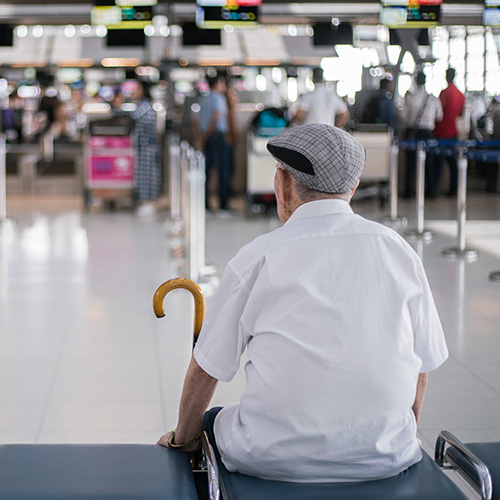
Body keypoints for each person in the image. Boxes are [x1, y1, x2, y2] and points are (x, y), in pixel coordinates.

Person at [157, 123, 448, 483]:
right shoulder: (399, 251)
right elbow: (423, 366)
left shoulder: (258, 258)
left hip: (271, 459)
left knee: (212, 420)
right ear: (352, 189)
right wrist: (395, 438)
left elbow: (207, 367)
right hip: (389, 458)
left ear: (282, 183)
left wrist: (181, 440)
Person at [193, 72, 232, 214]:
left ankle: (206, 206)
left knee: (206, 172)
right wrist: (209, 132)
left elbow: (196, 121)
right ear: (216, 84)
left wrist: (202, 136)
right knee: (223, 172)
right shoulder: (218, 98)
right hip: (217, 137)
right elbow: (217, 116)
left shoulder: (203, 100)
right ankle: (223, 206)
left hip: (207, 138)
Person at [402, 71, 443, 198]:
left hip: (414, 133)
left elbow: (404, 117)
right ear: (425, 81)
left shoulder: (410, 98)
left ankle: (408, 192)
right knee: (429, 163)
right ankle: (431, 192)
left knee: (410, 164)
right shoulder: (433, 98)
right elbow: (439, 116)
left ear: (415, 81)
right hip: (428, 133)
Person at [431, 68, 466, 198]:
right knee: (453, 163)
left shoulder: (444, 93)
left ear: (447, 76)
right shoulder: (460, 95)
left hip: (441, 132)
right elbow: (461, 114)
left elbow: (438, 113)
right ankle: (454, 189)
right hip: (453, 132)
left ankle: (433, 190)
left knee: (437, 163)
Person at [130, 80, 161, 217]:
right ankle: (145, 201)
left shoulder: (144, 106)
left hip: (147, 148)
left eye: (136, 88)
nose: (133, 91)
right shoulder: (145, 105)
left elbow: (132, 116)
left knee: (147, 176)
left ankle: (148, 202)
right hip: (145, 147)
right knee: (144, 175)